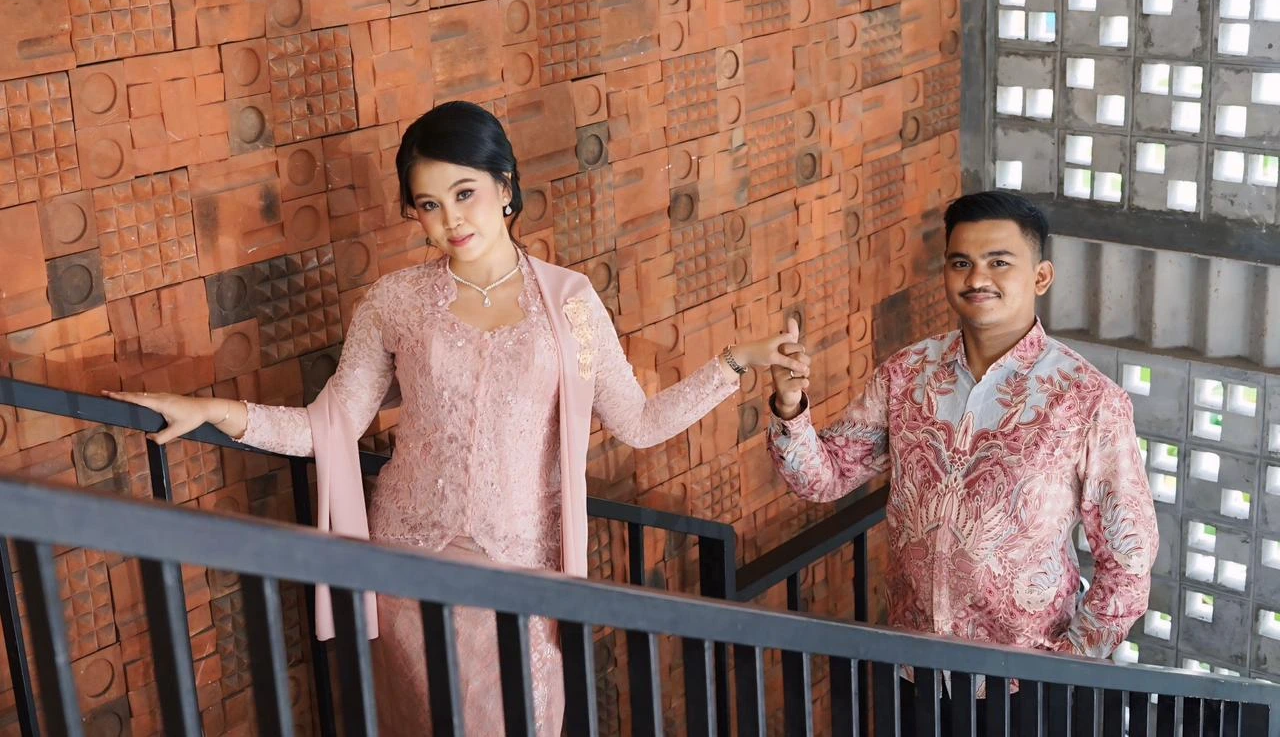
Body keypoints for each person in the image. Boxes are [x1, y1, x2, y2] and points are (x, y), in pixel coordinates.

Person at [106, 101, 806, 735]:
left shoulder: (571, 302)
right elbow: (332, 425)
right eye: (428, 204)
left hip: (522, 573)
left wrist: (735, 363)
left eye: (464, 193)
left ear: (505, 186)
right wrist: (216, 412)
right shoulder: (394, 301)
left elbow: (639, 422)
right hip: (409, 566)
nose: (450, 221)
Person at [764, 190, 1158, 733]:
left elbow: (1129, 560)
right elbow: (824, 477)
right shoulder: (906, 374)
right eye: (961, 263)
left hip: (1024, 684)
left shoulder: (1087, 400)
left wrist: (1066, 664)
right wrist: (790, 406)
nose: (977, 279)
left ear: (1041, 276)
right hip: (913, 668)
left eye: (999, 262)